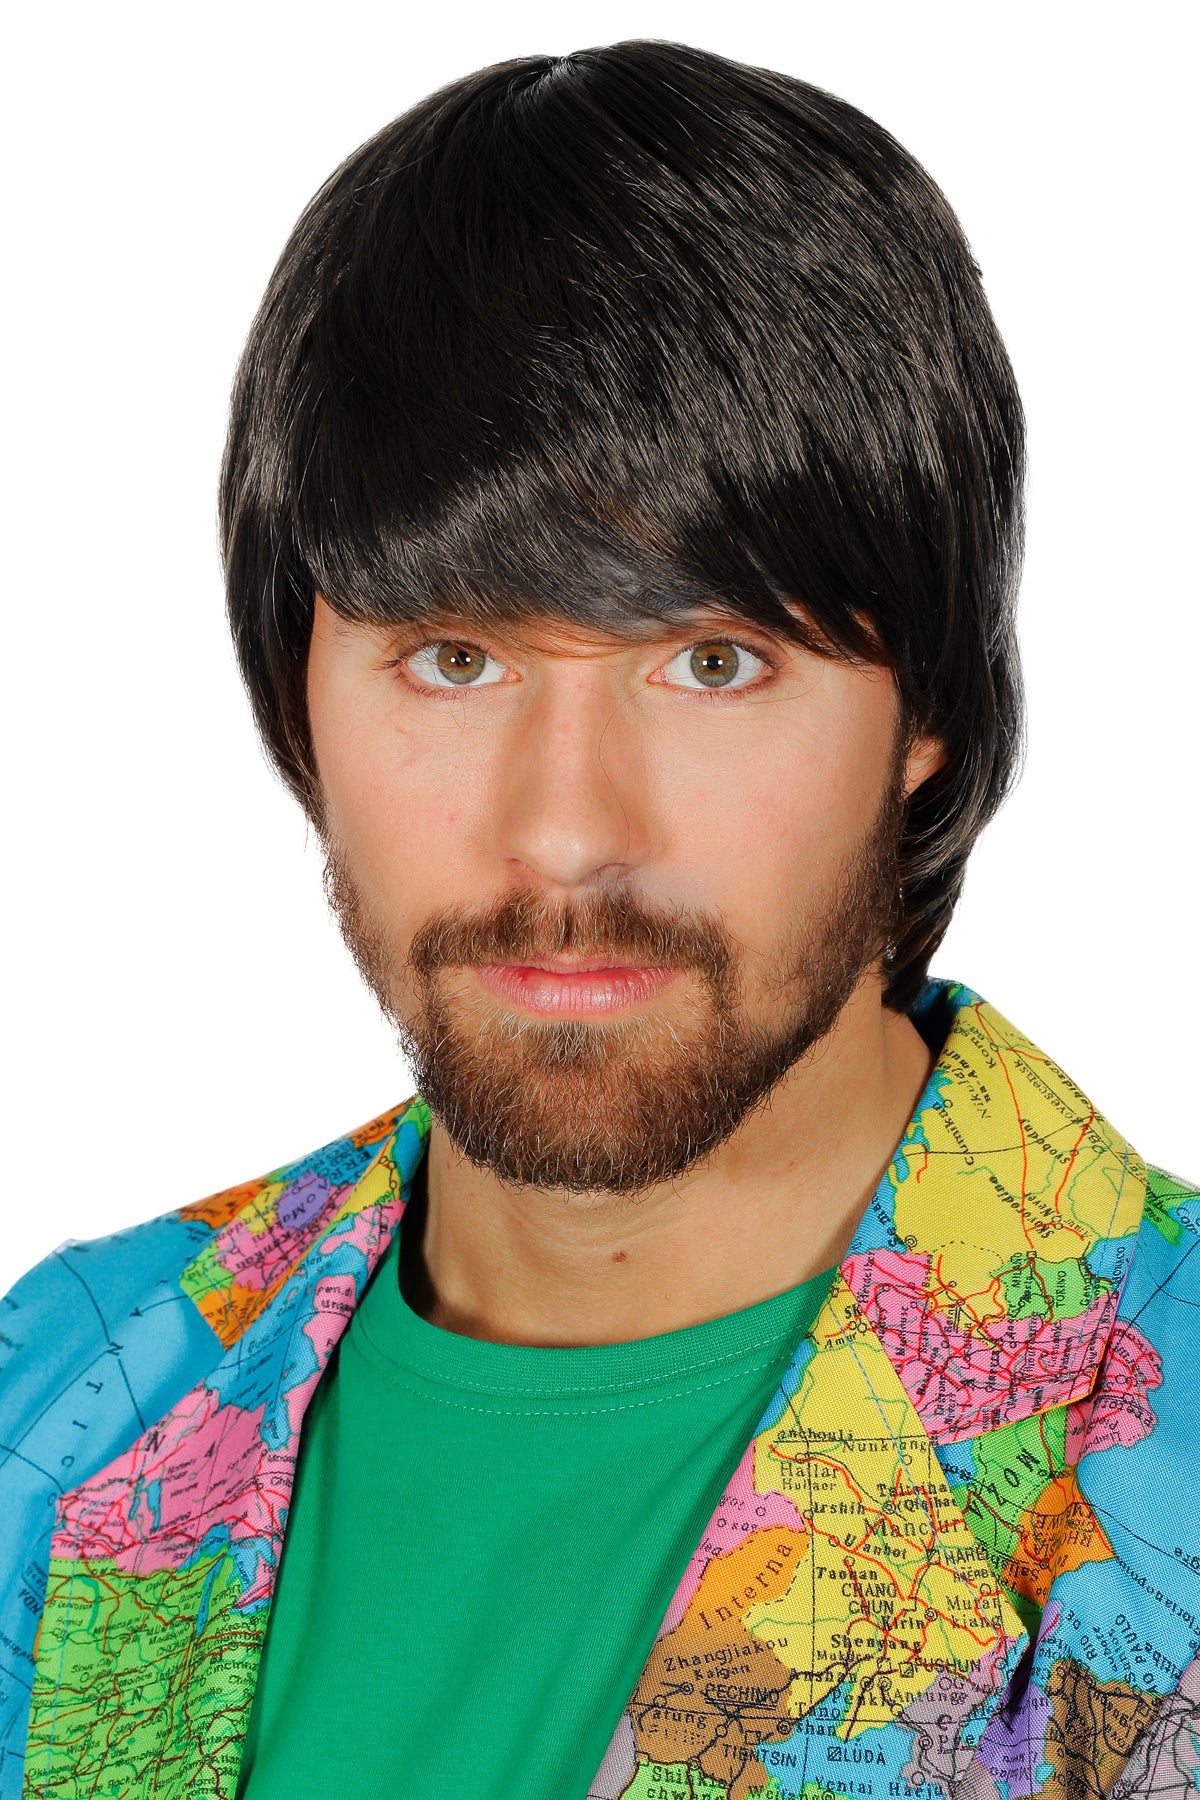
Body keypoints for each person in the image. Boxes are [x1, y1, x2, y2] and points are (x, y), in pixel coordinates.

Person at [2, 36, 1196, 1800]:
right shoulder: (65, 1409)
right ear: (296, 694)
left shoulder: (1164, 1452)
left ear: (925, 707)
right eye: (453, 657)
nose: (565, 834)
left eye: (712, 664)